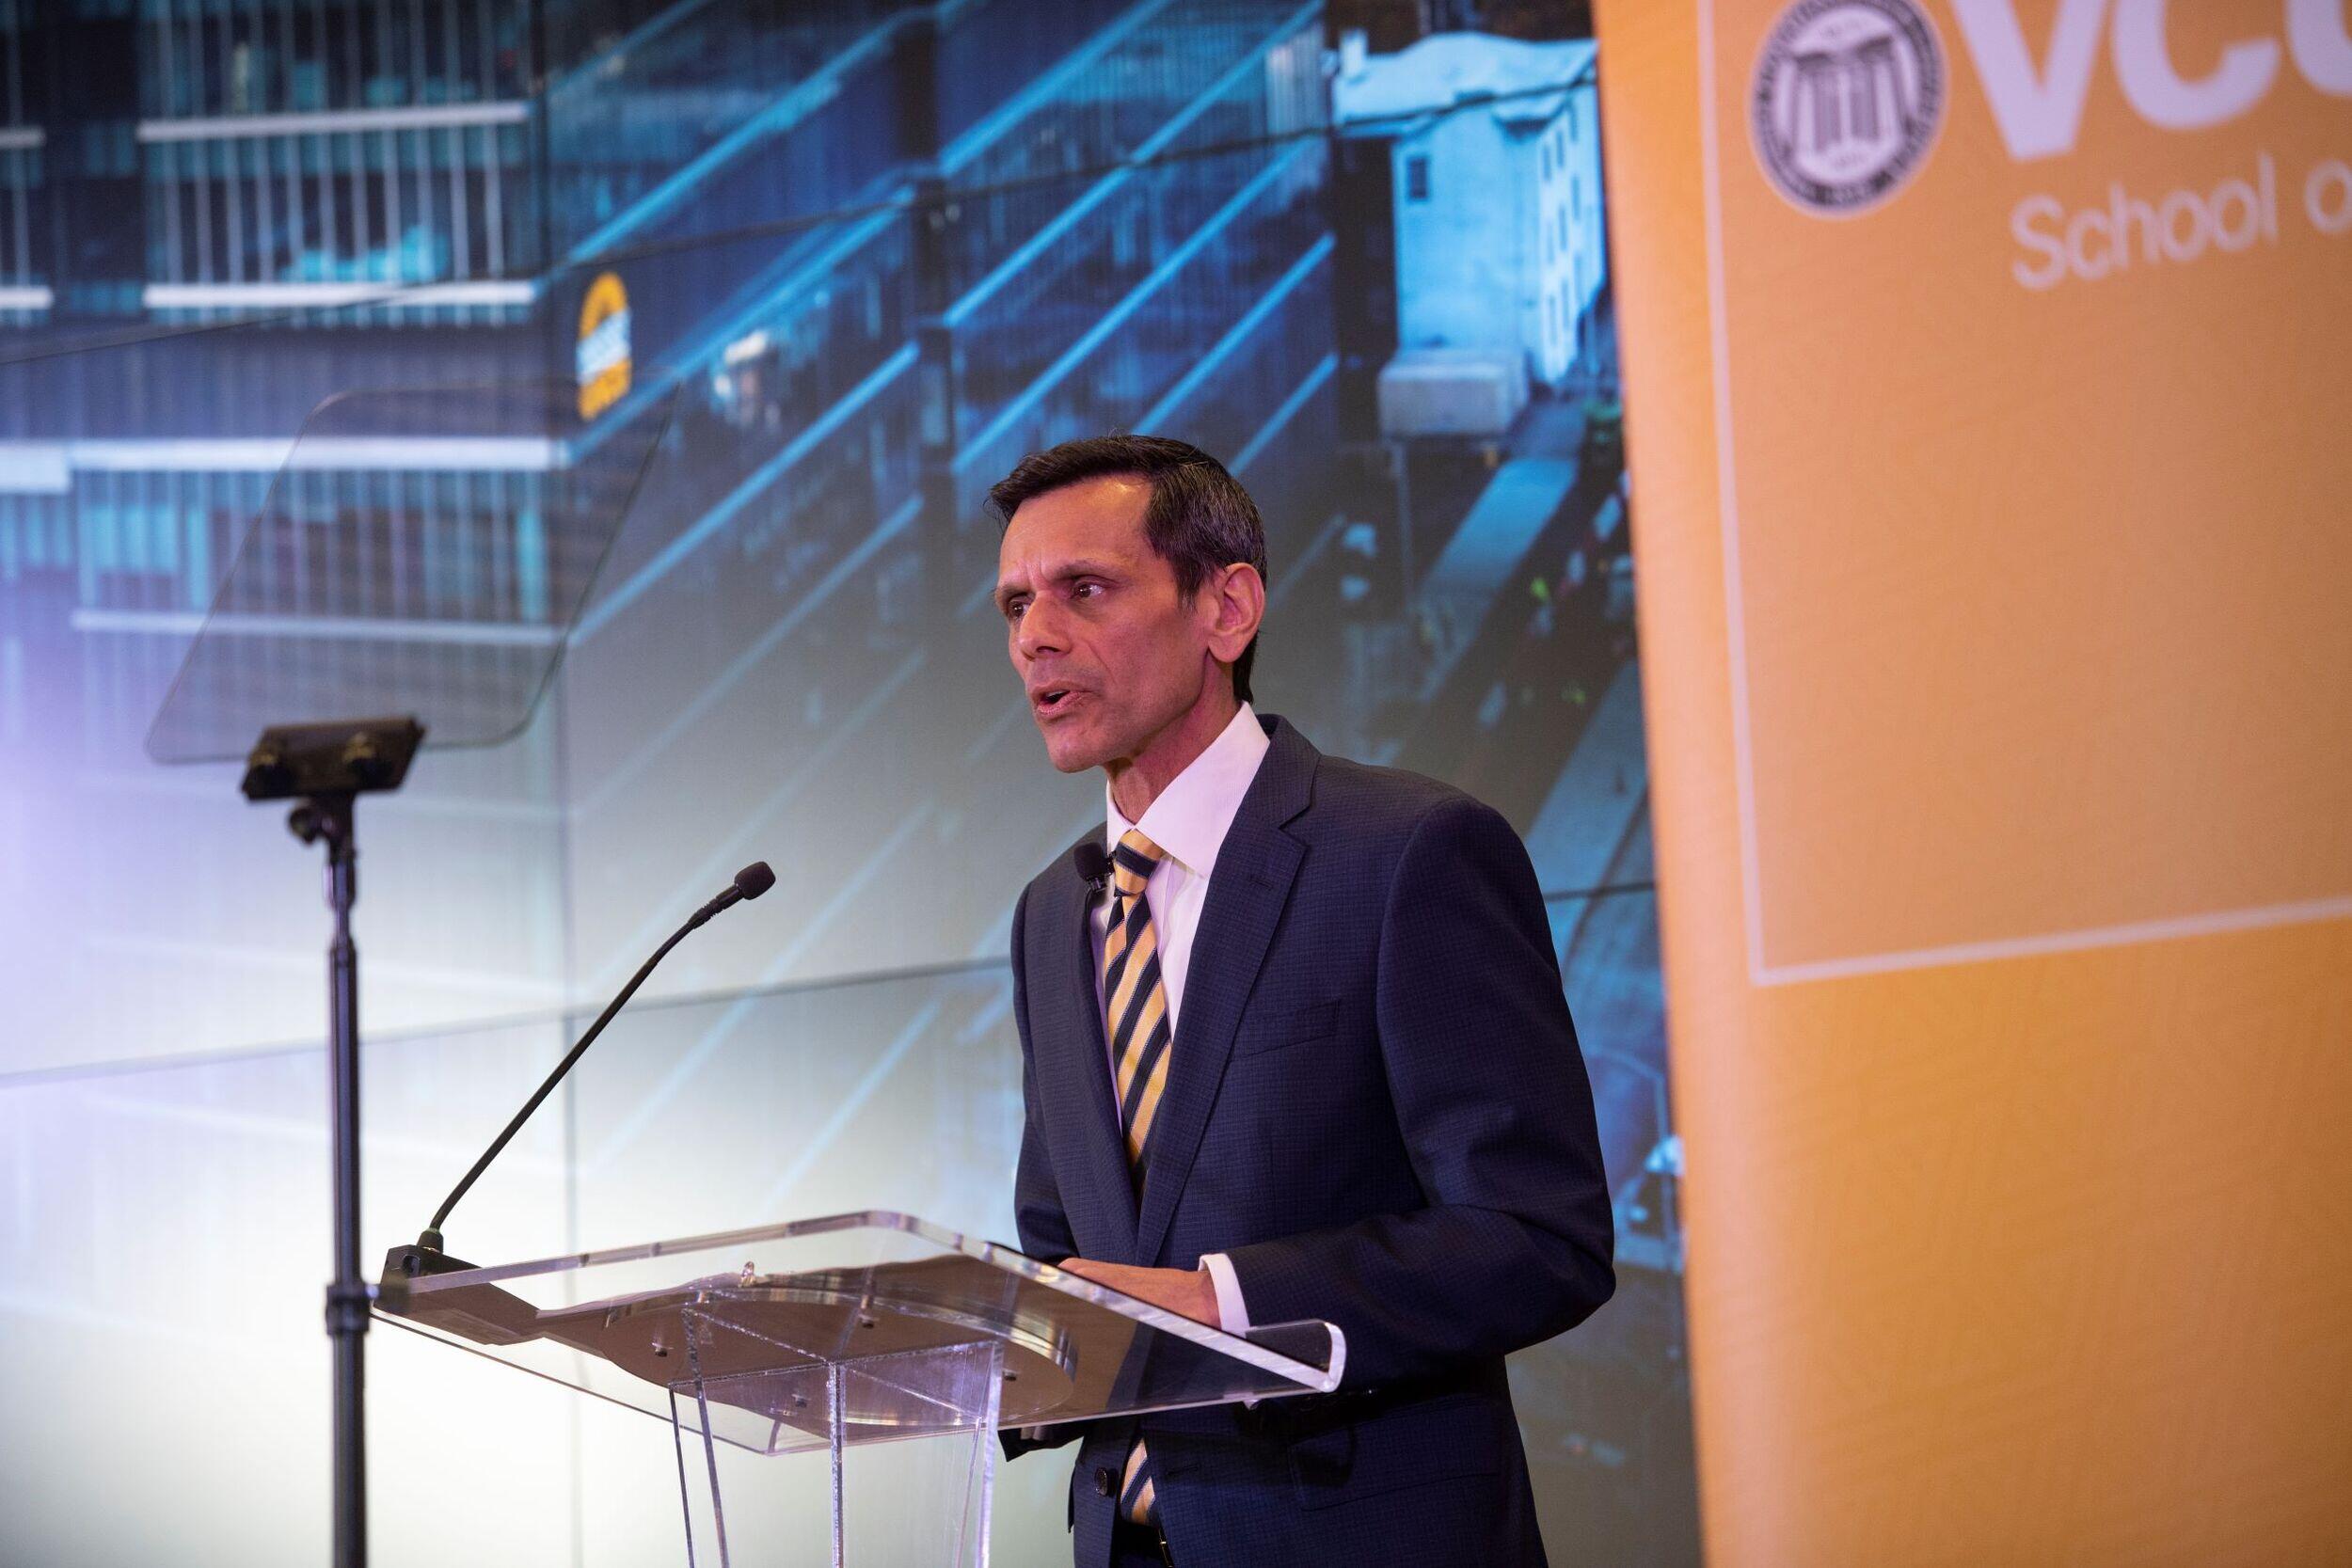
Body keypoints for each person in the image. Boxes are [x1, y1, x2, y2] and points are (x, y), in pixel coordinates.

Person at [990, 435, 1614, 1568]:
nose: (1035, 633)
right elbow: (1070, 1258)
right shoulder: (1051, 914)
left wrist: (1220, 1299)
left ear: (1226, 609)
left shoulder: (1408, 852)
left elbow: (1537, 1235)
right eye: (1016, 604)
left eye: (1084, 587)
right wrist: (964, 1343)